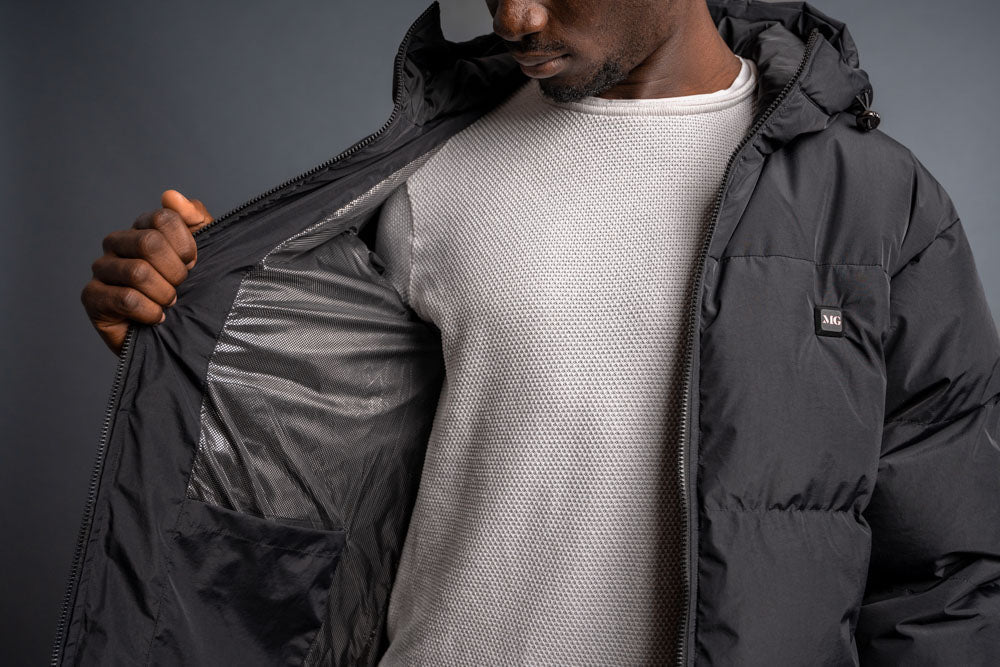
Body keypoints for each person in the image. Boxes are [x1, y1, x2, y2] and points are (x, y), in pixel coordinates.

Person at [67, 0, 999, 665]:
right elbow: (317, 449)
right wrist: (193, 333)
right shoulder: (432, 175)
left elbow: (946, 572)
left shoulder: (878, 206)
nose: (514, 17)